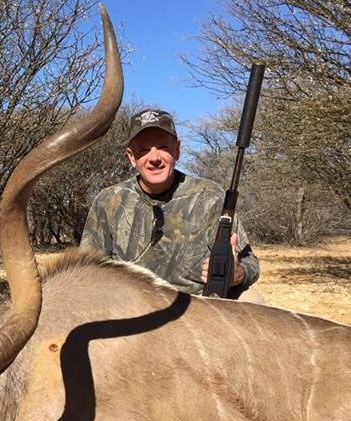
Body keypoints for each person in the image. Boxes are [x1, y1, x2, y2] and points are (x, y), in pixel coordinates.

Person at [81, 108, 261, 299]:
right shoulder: (109, 200)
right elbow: (87, 271)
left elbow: (250, 263)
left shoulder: (209, 195)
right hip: (131, 306)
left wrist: (238, 273)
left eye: (163, 147)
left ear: (177, 150)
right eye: (143, 150)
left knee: (253, 299)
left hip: (198, 305)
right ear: (131, 157)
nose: (154, 158)